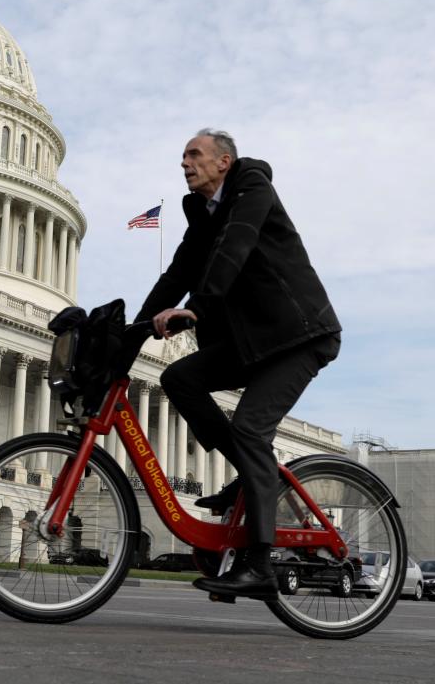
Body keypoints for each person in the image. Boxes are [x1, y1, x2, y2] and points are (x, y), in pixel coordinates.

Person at [136, 129, 342, 598]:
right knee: (179, 377)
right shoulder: (202, 214)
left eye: (194, 154)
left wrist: (198, 308)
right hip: (253, 342)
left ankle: (261, 565)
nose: (184, 162)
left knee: (250, 429)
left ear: (224, 161)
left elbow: (237, 245)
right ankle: (250, 474)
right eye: (183, 155)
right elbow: (179, 272)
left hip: (299, 336)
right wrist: (137, 327)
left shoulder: (252, 188)